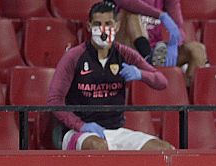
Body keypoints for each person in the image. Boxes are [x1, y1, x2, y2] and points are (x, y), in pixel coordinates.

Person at [47, 1, 174, 151]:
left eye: (108, 23)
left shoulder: (125, 53)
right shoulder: (74, 56)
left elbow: (162, 82)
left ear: (117, 26)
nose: (103, 29)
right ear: (89, 26)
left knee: (164, 149)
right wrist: (80, 125)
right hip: (78, 131)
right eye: (97, 24)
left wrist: (141, 74)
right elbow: (54, 100)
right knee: (98, 147)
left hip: (115, 130)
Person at [114, 0, 207, 85]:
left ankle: (184, 93)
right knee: (131, 14)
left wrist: (174, 44)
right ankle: (148, 59)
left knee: (197, 51)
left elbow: (178, 26)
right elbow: (127, 3)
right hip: (126, 51)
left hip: (157, 53)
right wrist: (160, 15)